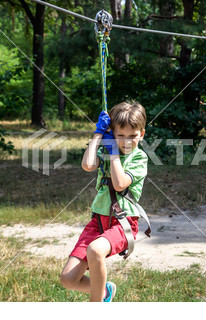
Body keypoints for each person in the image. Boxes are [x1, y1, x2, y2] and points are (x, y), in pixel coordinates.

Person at [60, 101, 148, 302]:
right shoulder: (107, 150)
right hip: (97, 221)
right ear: (113, 133)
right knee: (68, 279)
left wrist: (114, 153)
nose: (126, 141)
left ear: (141, 134)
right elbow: (87, 165)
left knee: (95, 249)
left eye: (132, 136)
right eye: (120, 135)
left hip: (123, 223)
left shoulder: (139, 158)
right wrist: (99, 135)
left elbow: (119, 184)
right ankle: (104, 291)